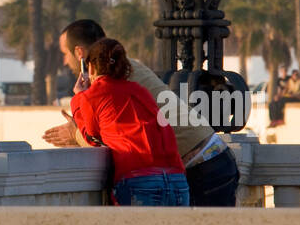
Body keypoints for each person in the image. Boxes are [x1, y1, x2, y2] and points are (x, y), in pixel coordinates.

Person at [43, 18, 240, 207]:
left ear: (79, 53)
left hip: (200, 169)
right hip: (214, 159)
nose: (64, 61)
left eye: (65, 54)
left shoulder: (108, 82)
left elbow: (108, 141)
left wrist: (75, 132)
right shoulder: (127, 66)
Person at [57, 36, 189, 205]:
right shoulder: (140, 90)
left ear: (90, 67)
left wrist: (79, 97)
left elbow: (91, 137)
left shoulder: (91, 96)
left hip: (139, 180)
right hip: (176, 179)